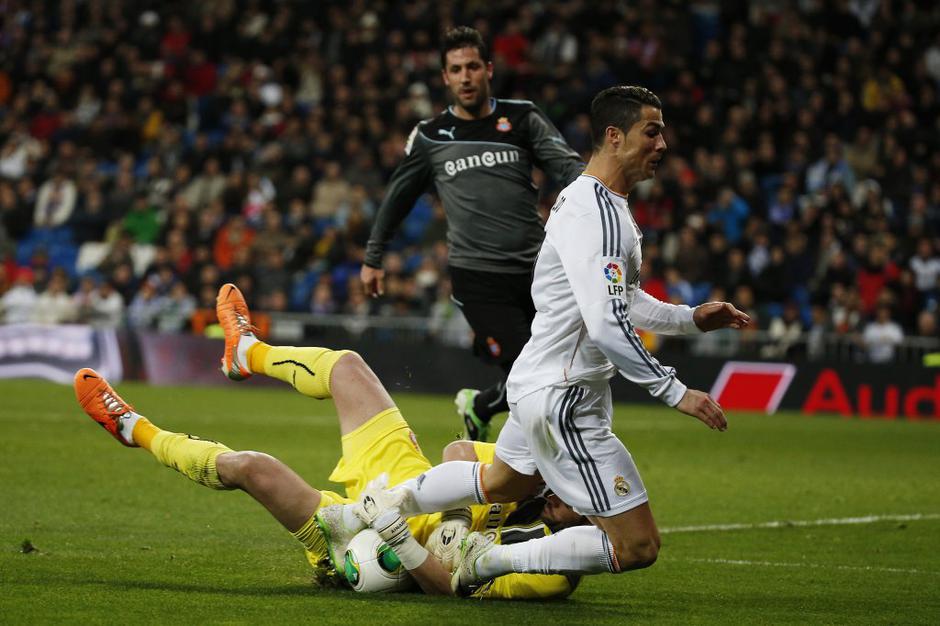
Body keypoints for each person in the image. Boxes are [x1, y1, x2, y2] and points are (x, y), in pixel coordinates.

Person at [331, 86, 750, 593]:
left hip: (539, 381)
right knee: (637, 547)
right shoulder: (598, 215)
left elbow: (621, 298)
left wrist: (689, 320)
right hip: (566, 396)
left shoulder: (591, 203)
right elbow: (603, 322)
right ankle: (481, 563)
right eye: (652, 131)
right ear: (614, 137)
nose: (663, 144)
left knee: (504, 483)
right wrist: (675, 391)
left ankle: (370, 509)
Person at [71, 283, 585, 599]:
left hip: (372, 548)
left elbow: (446, 587)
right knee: (347, 366)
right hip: (406, 485)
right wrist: (453, 519)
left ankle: (135, 430)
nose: (568, 498)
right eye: (574, 486)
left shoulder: (551, 570)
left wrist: (399, 537)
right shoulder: (531, 470)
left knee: (251, 468)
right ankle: (247, 351)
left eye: (582, 506)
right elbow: (456, 454)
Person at [360, 26, 584, 442]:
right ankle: (539, 486)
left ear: (489, 70)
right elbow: (398, 196)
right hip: (479, 278)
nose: (465, 77)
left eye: (473, 67)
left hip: (541, 271)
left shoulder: (522, 118)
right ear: (445, 77)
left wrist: (601, 205)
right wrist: (374, 256)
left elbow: (569, 168)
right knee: (535, 377)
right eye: (456, 69)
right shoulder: (431, 136)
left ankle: (482, 406)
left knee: (557, 373)